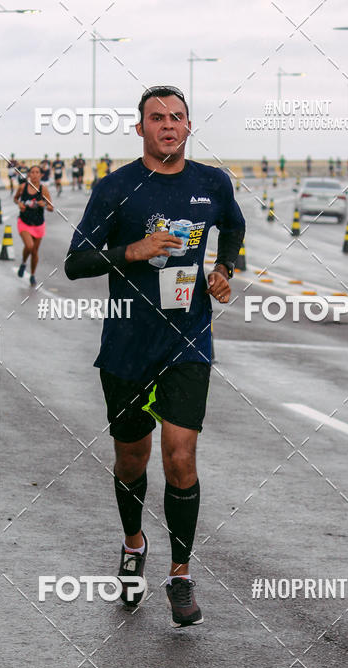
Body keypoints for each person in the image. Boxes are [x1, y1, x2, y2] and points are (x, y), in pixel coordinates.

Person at [65, 85, 245, 628]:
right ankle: (133, 542)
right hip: (127, 345)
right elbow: (76, 262)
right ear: (140, 127)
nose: (168, 125)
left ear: (190, 126)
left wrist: (224, 268)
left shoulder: (212, 183)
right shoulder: (116, 187)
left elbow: (233, 227)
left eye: (178, 117)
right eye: (157, 118)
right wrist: (133, 251)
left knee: (181, 457)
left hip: (187, 341)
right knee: (131, 459)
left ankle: (181, 574)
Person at [14, 164, 53, 287]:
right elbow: (15, 199)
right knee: (29, 246)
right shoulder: (23, 187)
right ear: (29, 174)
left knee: (34, 251)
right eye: (32, 172)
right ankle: (24, 262)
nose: (34, 175)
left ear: (41, 175)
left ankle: (32, 274)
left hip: (38, 224)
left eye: (37, 172)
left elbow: (51, 207)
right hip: (24, 222)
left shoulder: (43, 189)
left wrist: (44, 205)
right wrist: (19, 203)